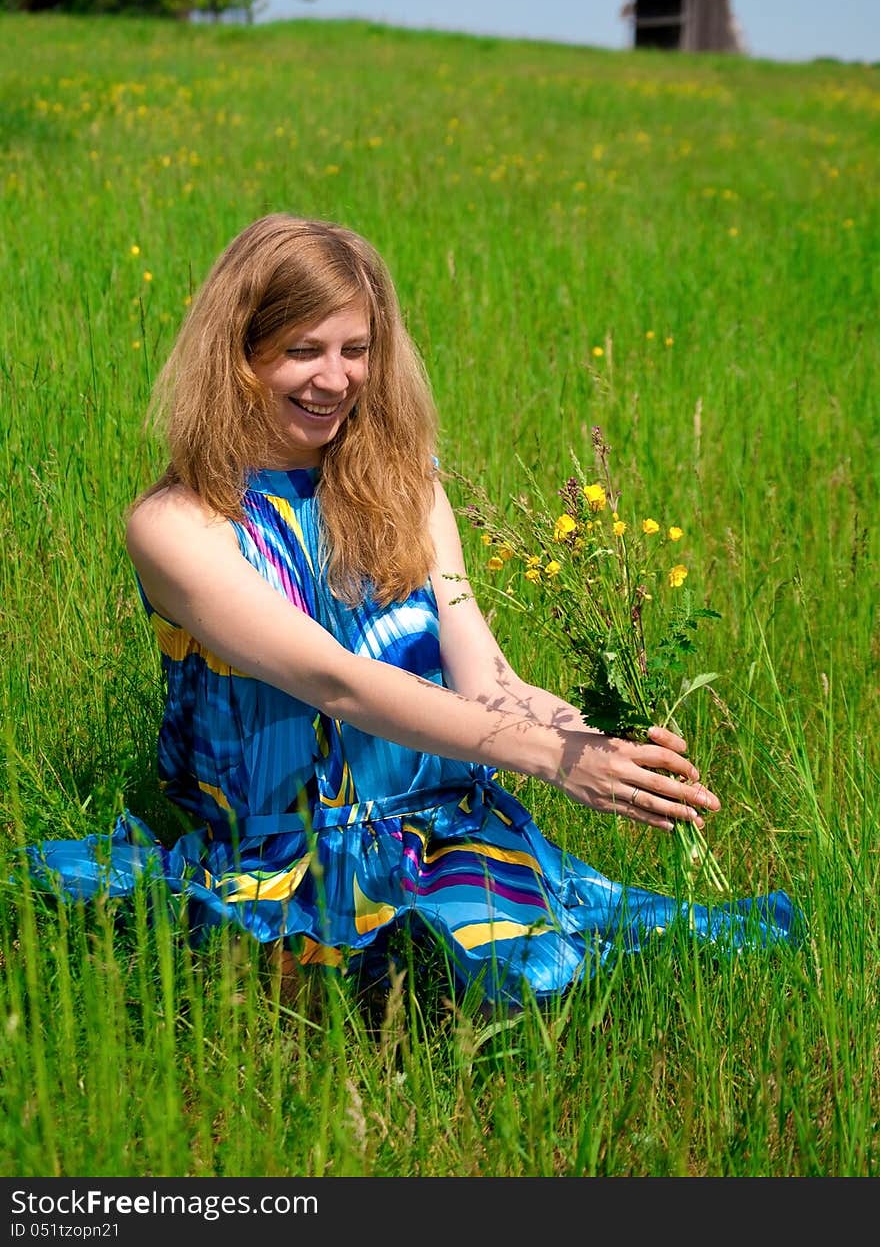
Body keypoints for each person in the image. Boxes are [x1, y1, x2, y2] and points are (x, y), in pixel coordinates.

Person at [27, 213, 797, 1009]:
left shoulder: (408, 484)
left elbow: (486, 676)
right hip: (292, 854)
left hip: (457, 830)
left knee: (670, 957)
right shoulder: (179, 526)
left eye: (355, 351)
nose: (336, 380)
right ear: (238, 357)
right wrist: (554, 760)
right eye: (303, 351)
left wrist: (594, 740)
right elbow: (337, 682)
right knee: (485, 981)